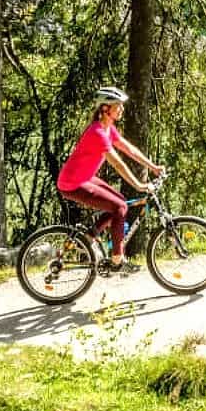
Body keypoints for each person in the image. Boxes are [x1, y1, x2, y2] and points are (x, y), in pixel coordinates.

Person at [57, 86, 165, 272]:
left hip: (85, 178)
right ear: (105, 109)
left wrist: (152, 167)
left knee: (120, 202)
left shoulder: (107, 129)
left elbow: (129, 149)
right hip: (72, 184)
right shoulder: (97, 133)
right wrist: (139, 185)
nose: (121, 109)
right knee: (120, 207)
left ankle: (87, 238)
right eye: (118, 106)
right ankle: (117, 259)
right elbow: (117, 164)